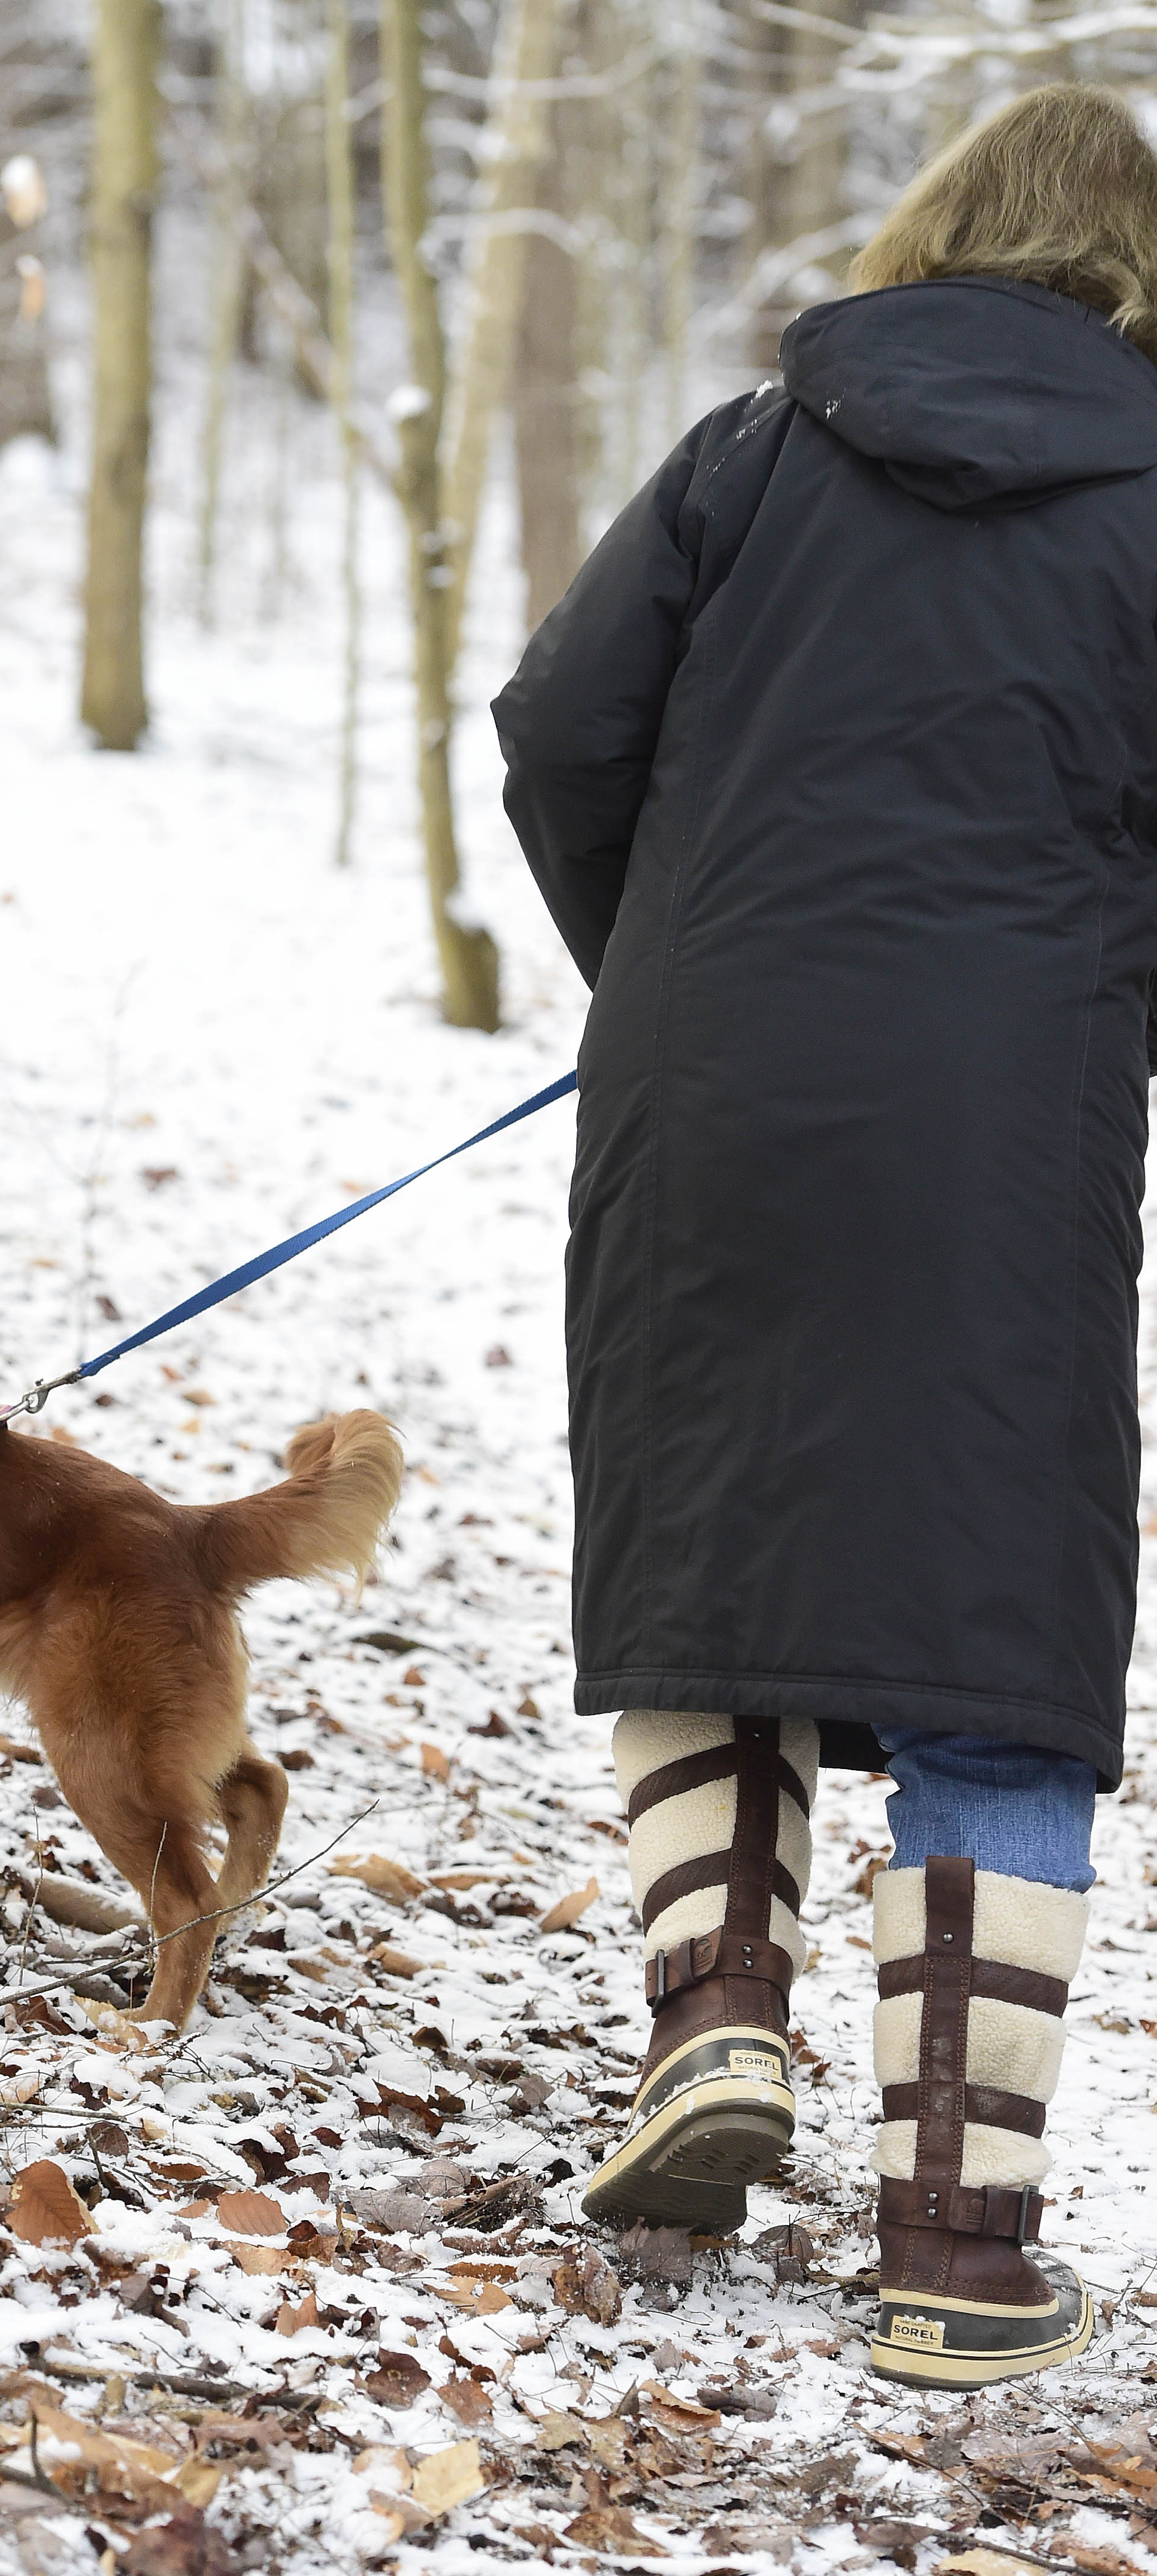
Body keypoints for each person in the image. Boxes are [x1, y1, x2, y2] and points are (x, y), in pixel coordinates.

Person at [492, 83, 1157, 2391]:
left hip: (711, 1074)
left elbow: (563, 725)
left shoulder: (753, 451)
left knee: (711, 1520)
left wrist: (663, 959)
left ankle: (716, 2024)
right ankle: (958, 2250)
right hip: (1009, 1113)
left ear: (934, 225)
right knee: (995, 1606)